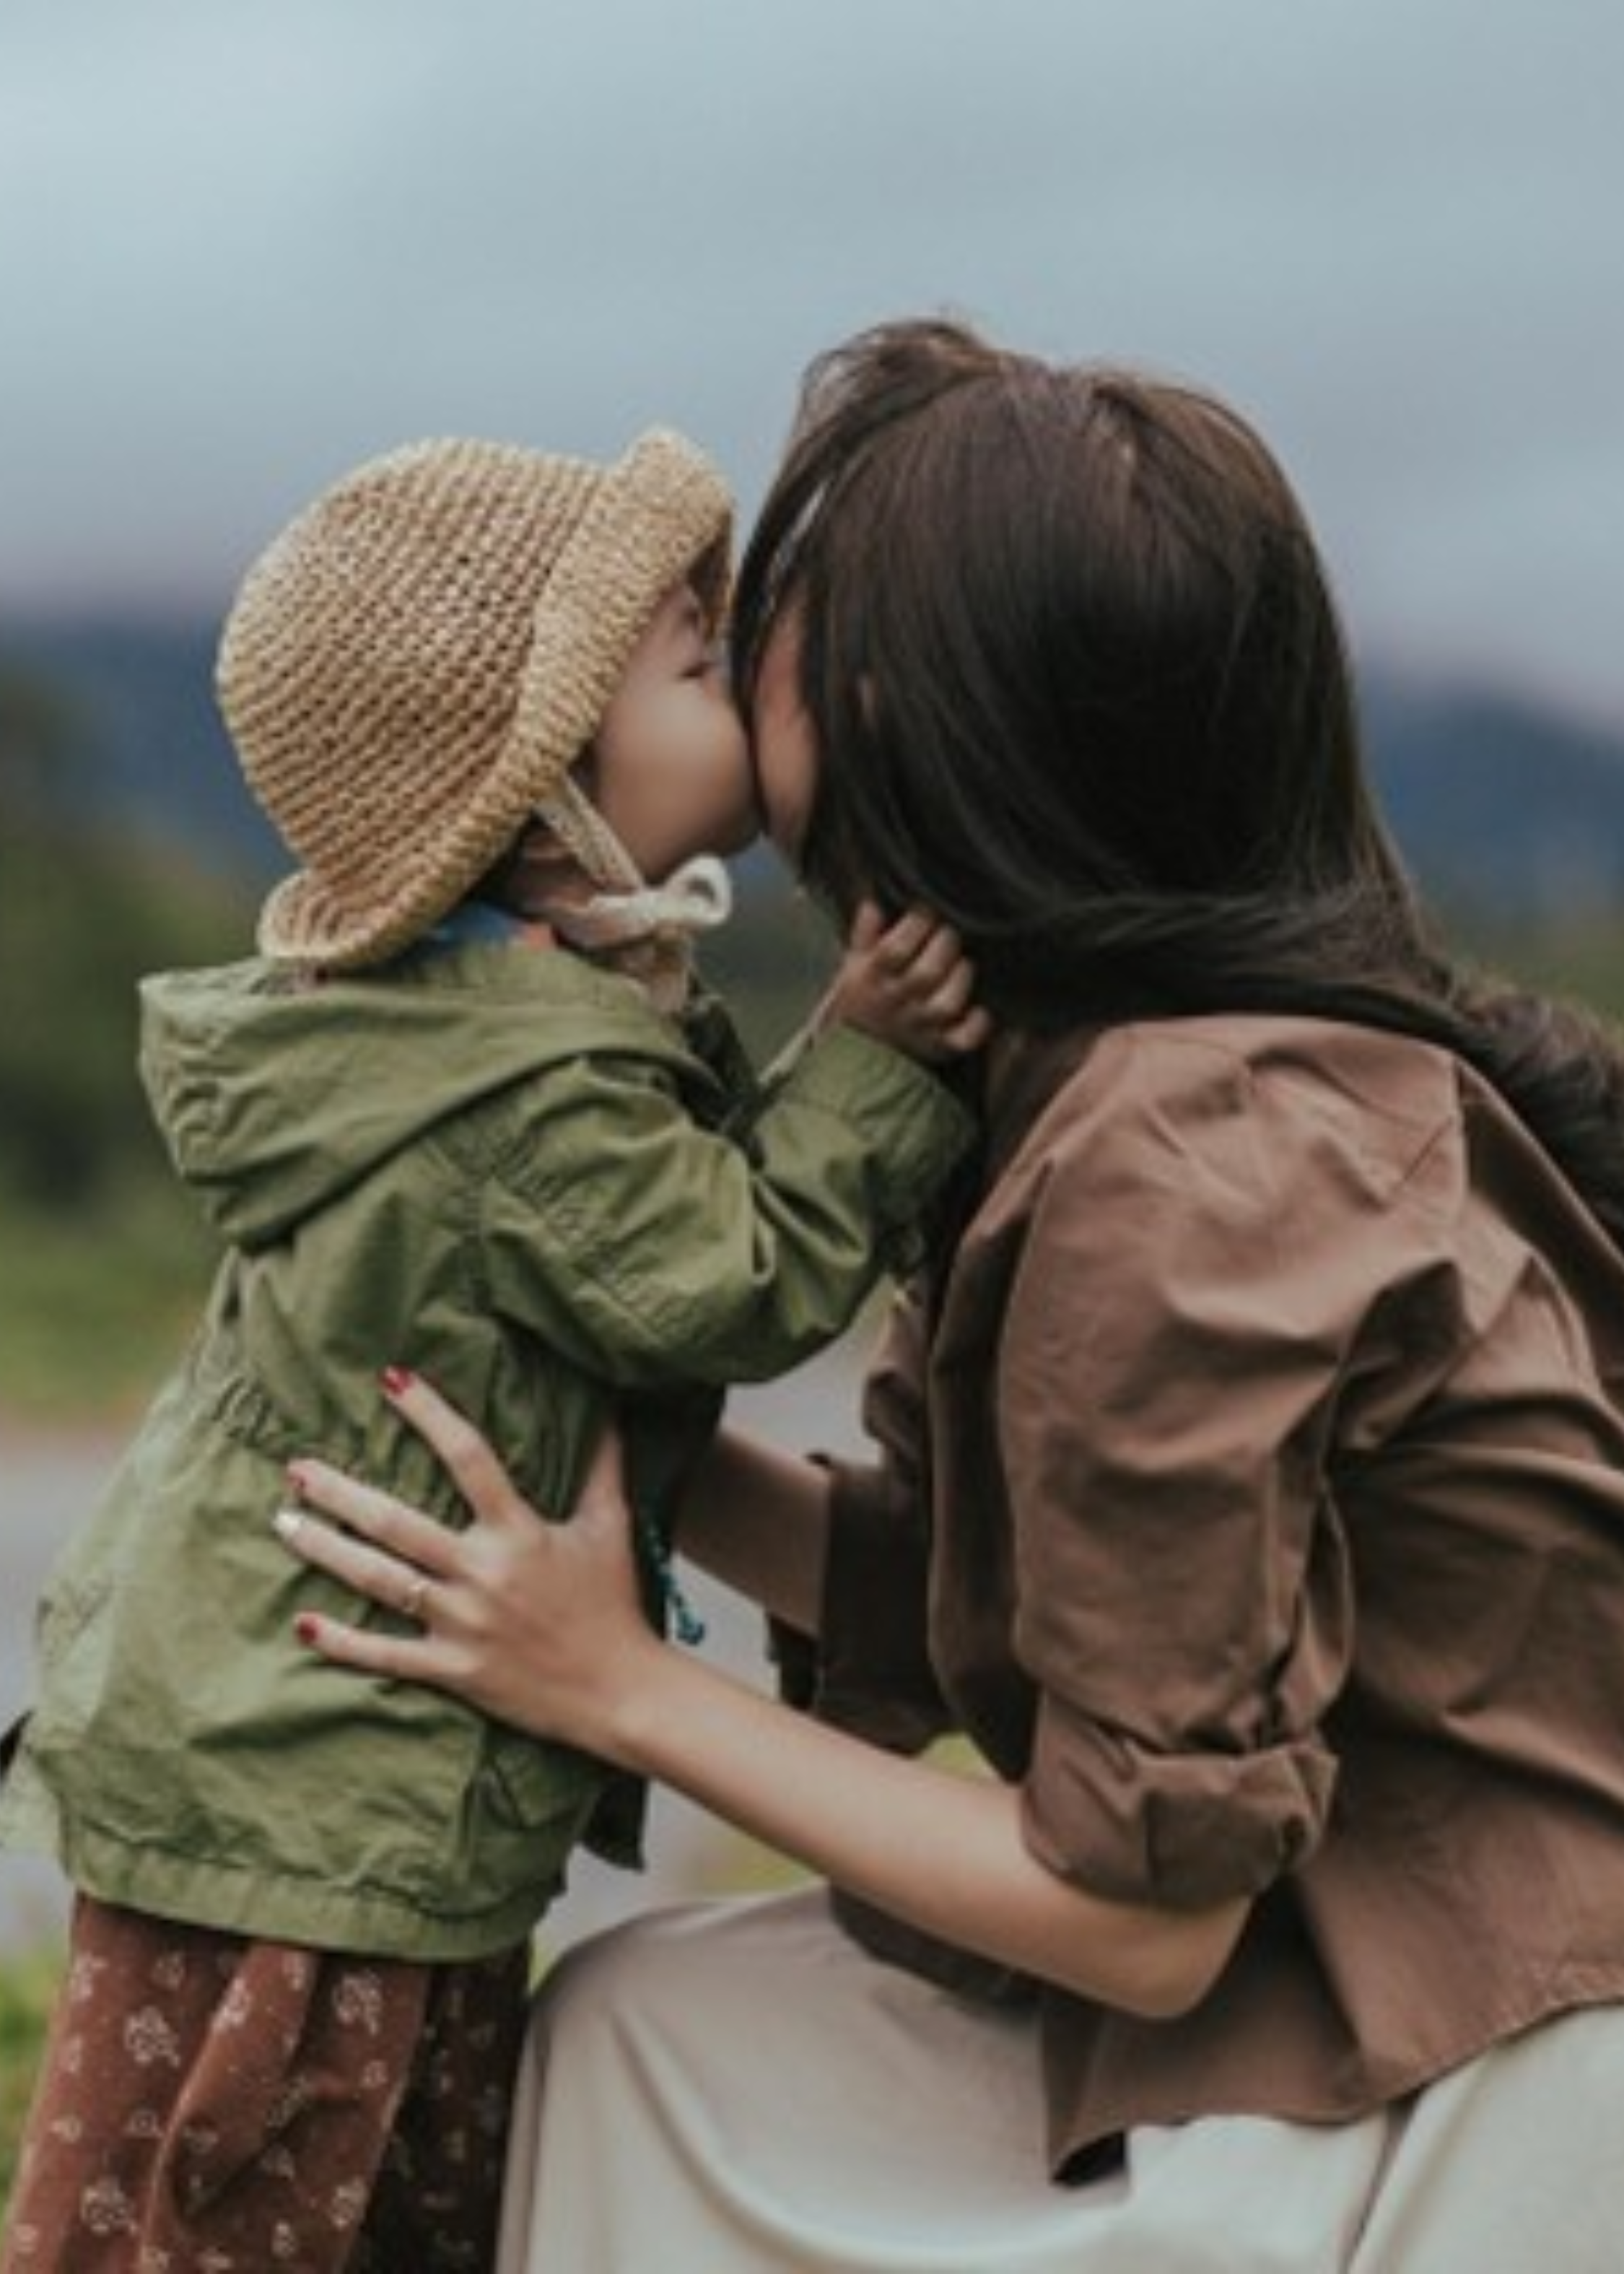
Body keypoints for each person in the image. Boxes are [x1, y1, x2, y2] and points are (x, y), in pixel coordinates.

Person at [271, 315, 1624, 2274]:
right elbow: (1034, 1601)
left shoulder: (1182, 1157)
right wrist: (638, 1437)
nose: (735, 678)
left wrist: (614, 1682)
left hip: (1487, 2072)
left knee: (653, 2059)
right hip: (1361, 1961)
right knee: (648, 2038)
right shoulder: (1146, 1072)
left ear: (910, 711)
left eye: (777, 633)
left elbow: (1138, 1906)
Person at [0, 426, 987, 2273]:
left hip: (302, 1769)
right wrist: (874, 1066)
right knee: (272, 2205)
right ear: (546, 799)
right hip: (318, 1801)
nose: (743, 678)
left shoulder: (491, 1020)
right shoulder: (518, 1081)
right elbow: (732, 1280)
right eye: (698, 667)